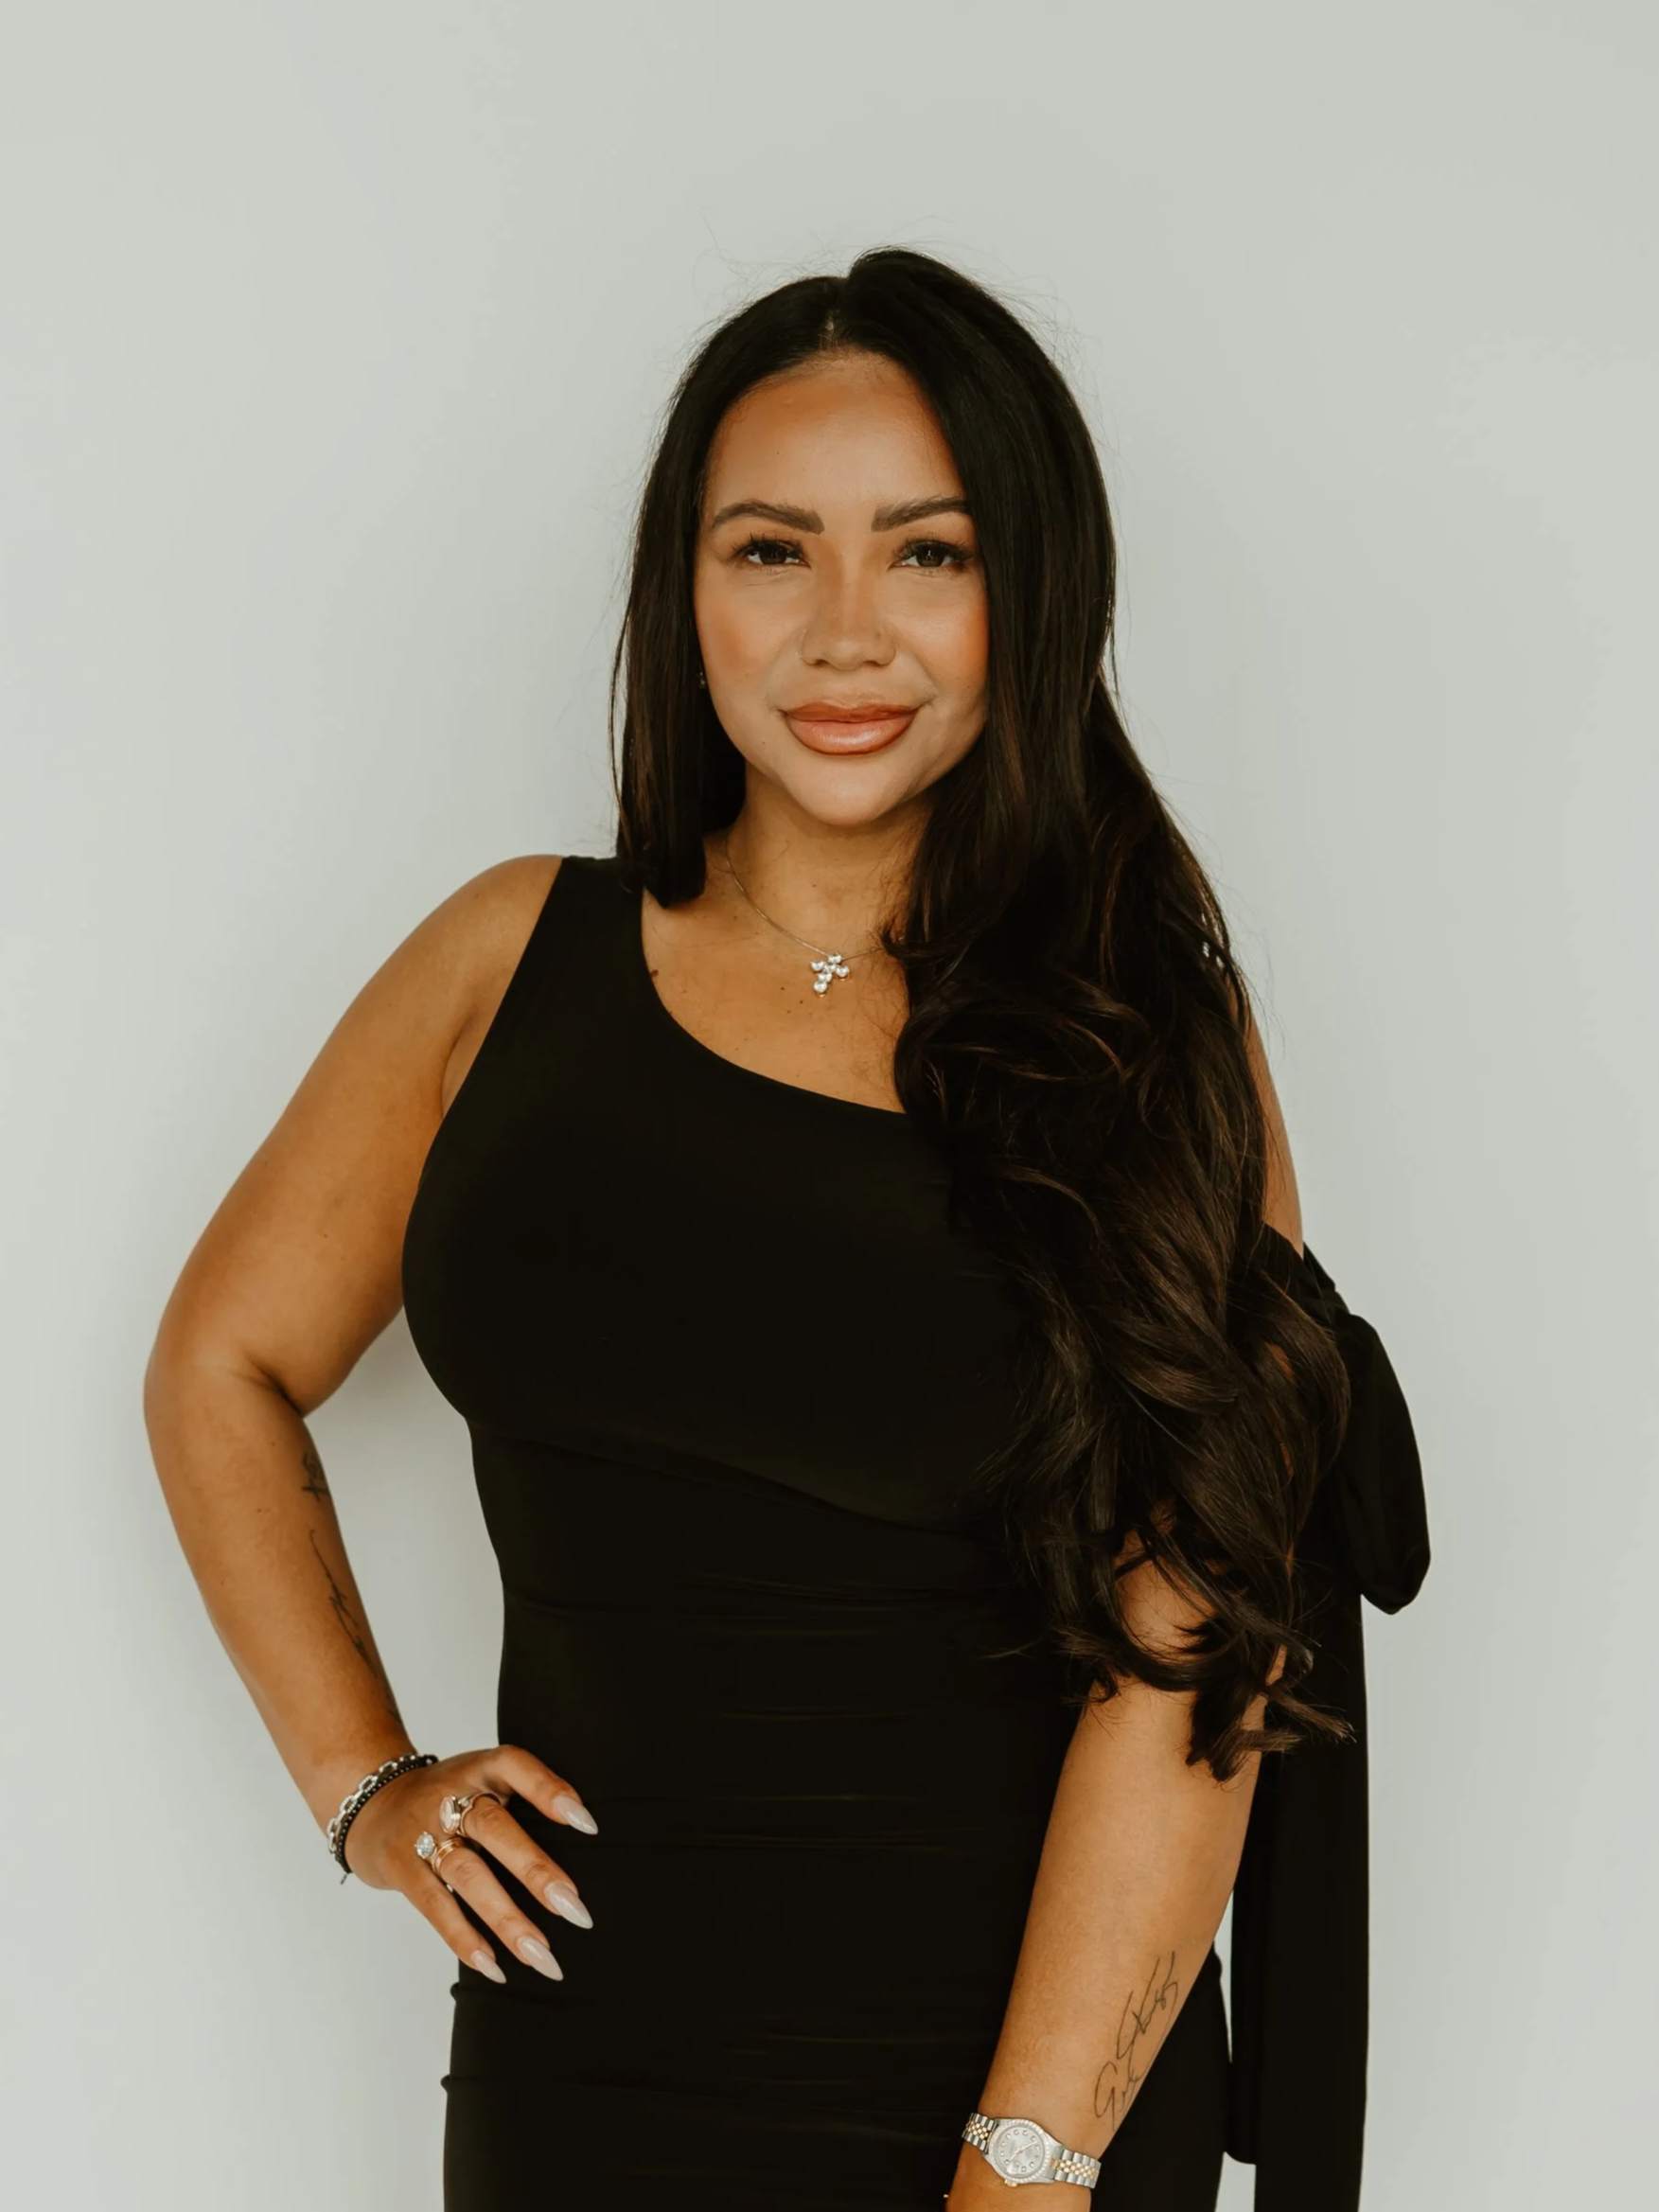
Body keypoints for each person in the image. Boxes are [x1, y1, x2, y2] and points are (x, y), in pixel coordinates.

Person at [144, 248, 1428, 2211]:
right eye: (771, 551)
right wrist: (367, 1787)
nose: (847, 631)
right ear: (687, 590)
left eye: (928, 552)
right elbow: (222, 1364)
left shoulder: (1141, 1026)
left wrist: (1031, 2160)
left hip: (1015, 2100)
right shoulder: (510, 961)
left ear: (1034, 594)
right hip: (581, 2080)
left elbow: (1203, 1636)